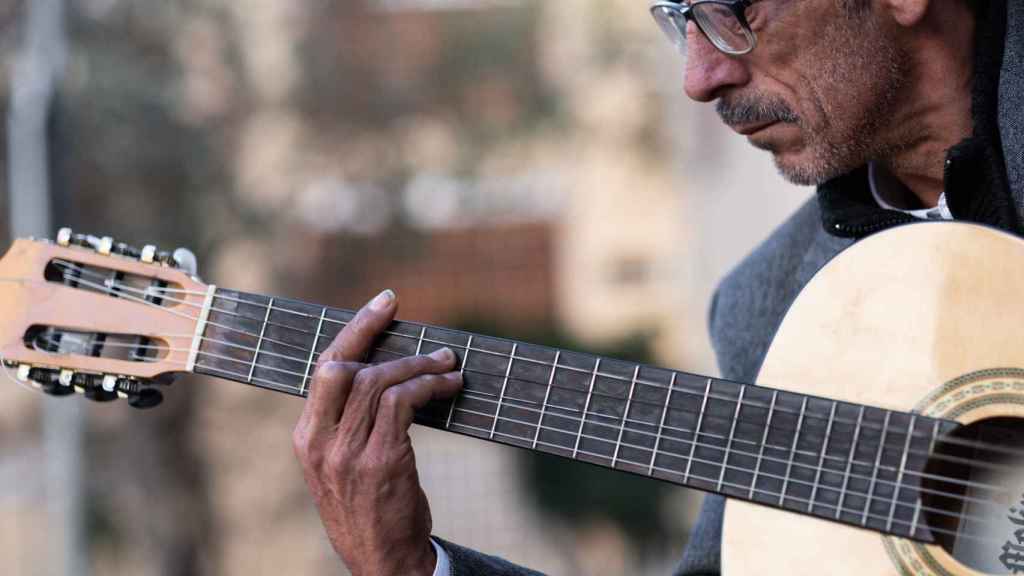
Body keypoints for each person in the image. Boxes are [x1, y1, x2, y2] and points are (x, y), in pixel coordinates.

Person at [290, 0, 1024, 574]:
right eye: (680, 22)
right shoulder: (773, 307)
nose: (701, 79)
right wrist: (411, 569)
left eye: (732, 15)